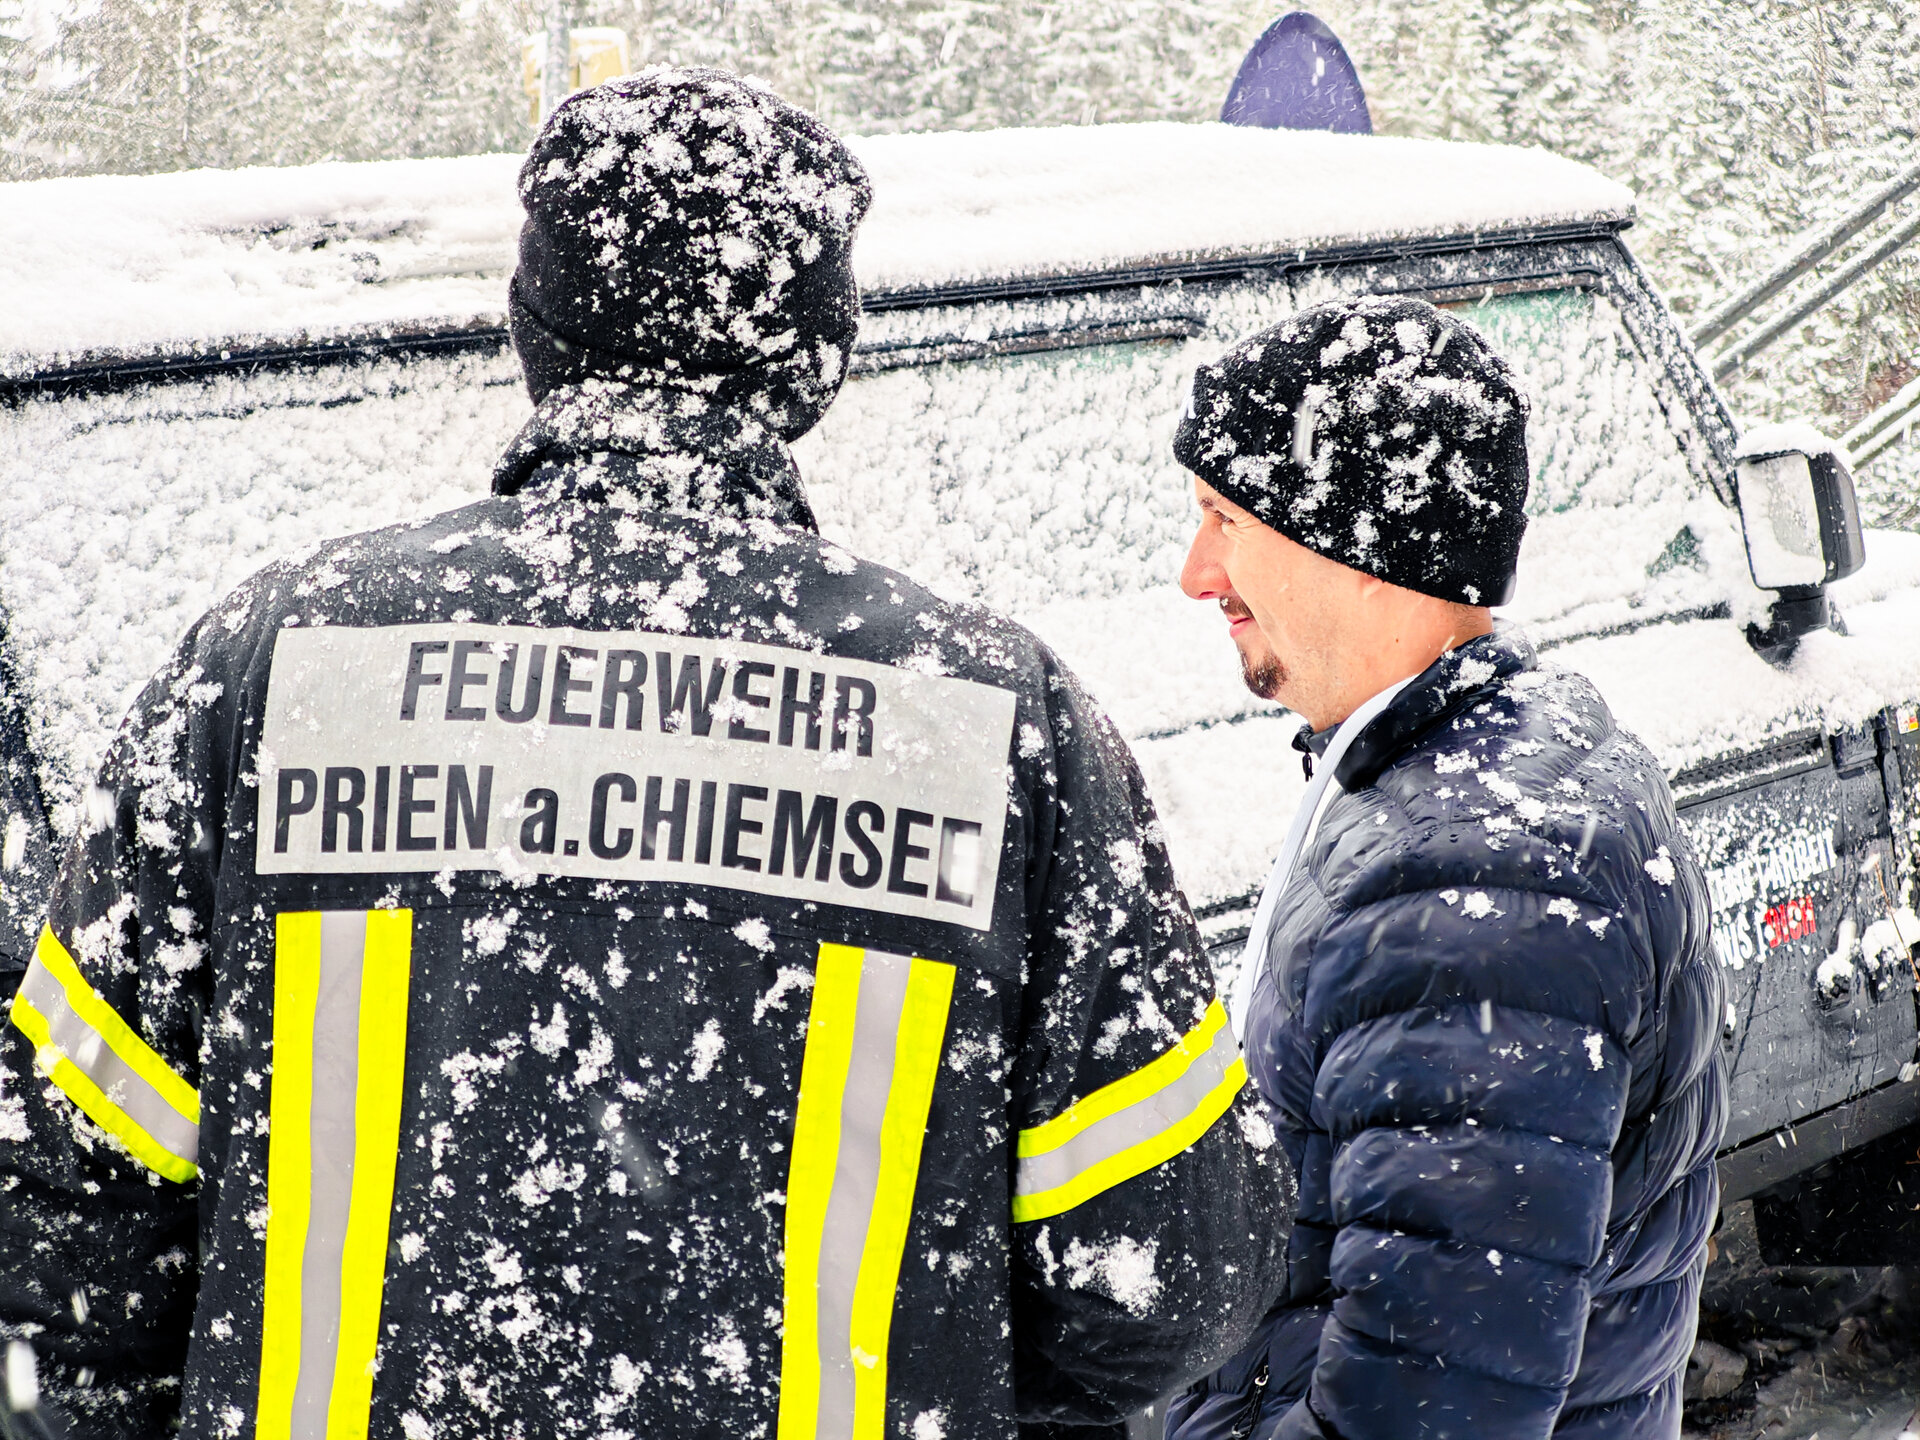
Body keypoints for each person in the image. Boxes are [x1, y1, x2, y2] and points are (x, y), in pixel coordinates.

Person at [0, 69, 1288, 1440]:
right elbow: (1167, 1286)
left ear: (531, 331)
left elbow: (64, 1233)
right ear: (817, 358)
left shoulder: (269, 671)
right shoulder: (988, 717)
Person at [1161, 295, 1726, 1440]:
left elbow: (1429, 1414)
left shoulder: (1480, 895)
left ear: (1359, 544)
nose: (1195, 572)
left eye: (1224, 518)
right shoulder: (1450, 779)